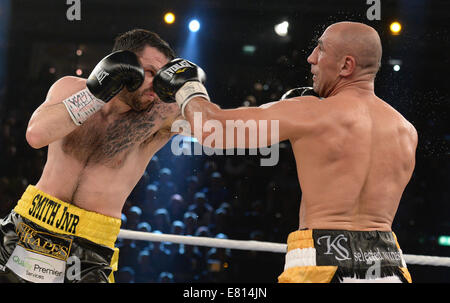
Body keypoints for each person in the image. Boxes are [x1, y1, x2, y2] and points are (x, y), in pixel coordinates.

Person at [153, 21, 418, 283]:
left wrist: (187, 87)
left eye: (321, 50)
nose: (310, 58)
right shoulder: (406, 131)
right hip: (389, 266)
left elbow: (212, 130)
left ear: (346, 65)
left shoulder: (311, 111)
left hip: (323, 262)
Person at [0, 29, 181, 283]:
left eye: (162, 77)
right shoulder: (69, 87)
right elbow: (36, 136)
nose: (156, 84)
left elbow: (219, 128)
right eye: (151, 72)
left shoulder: (160, 115)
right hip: (32, 219)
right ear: (124, 63)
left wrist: (191, 88)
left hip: (91, 243)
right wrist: (99, 91)